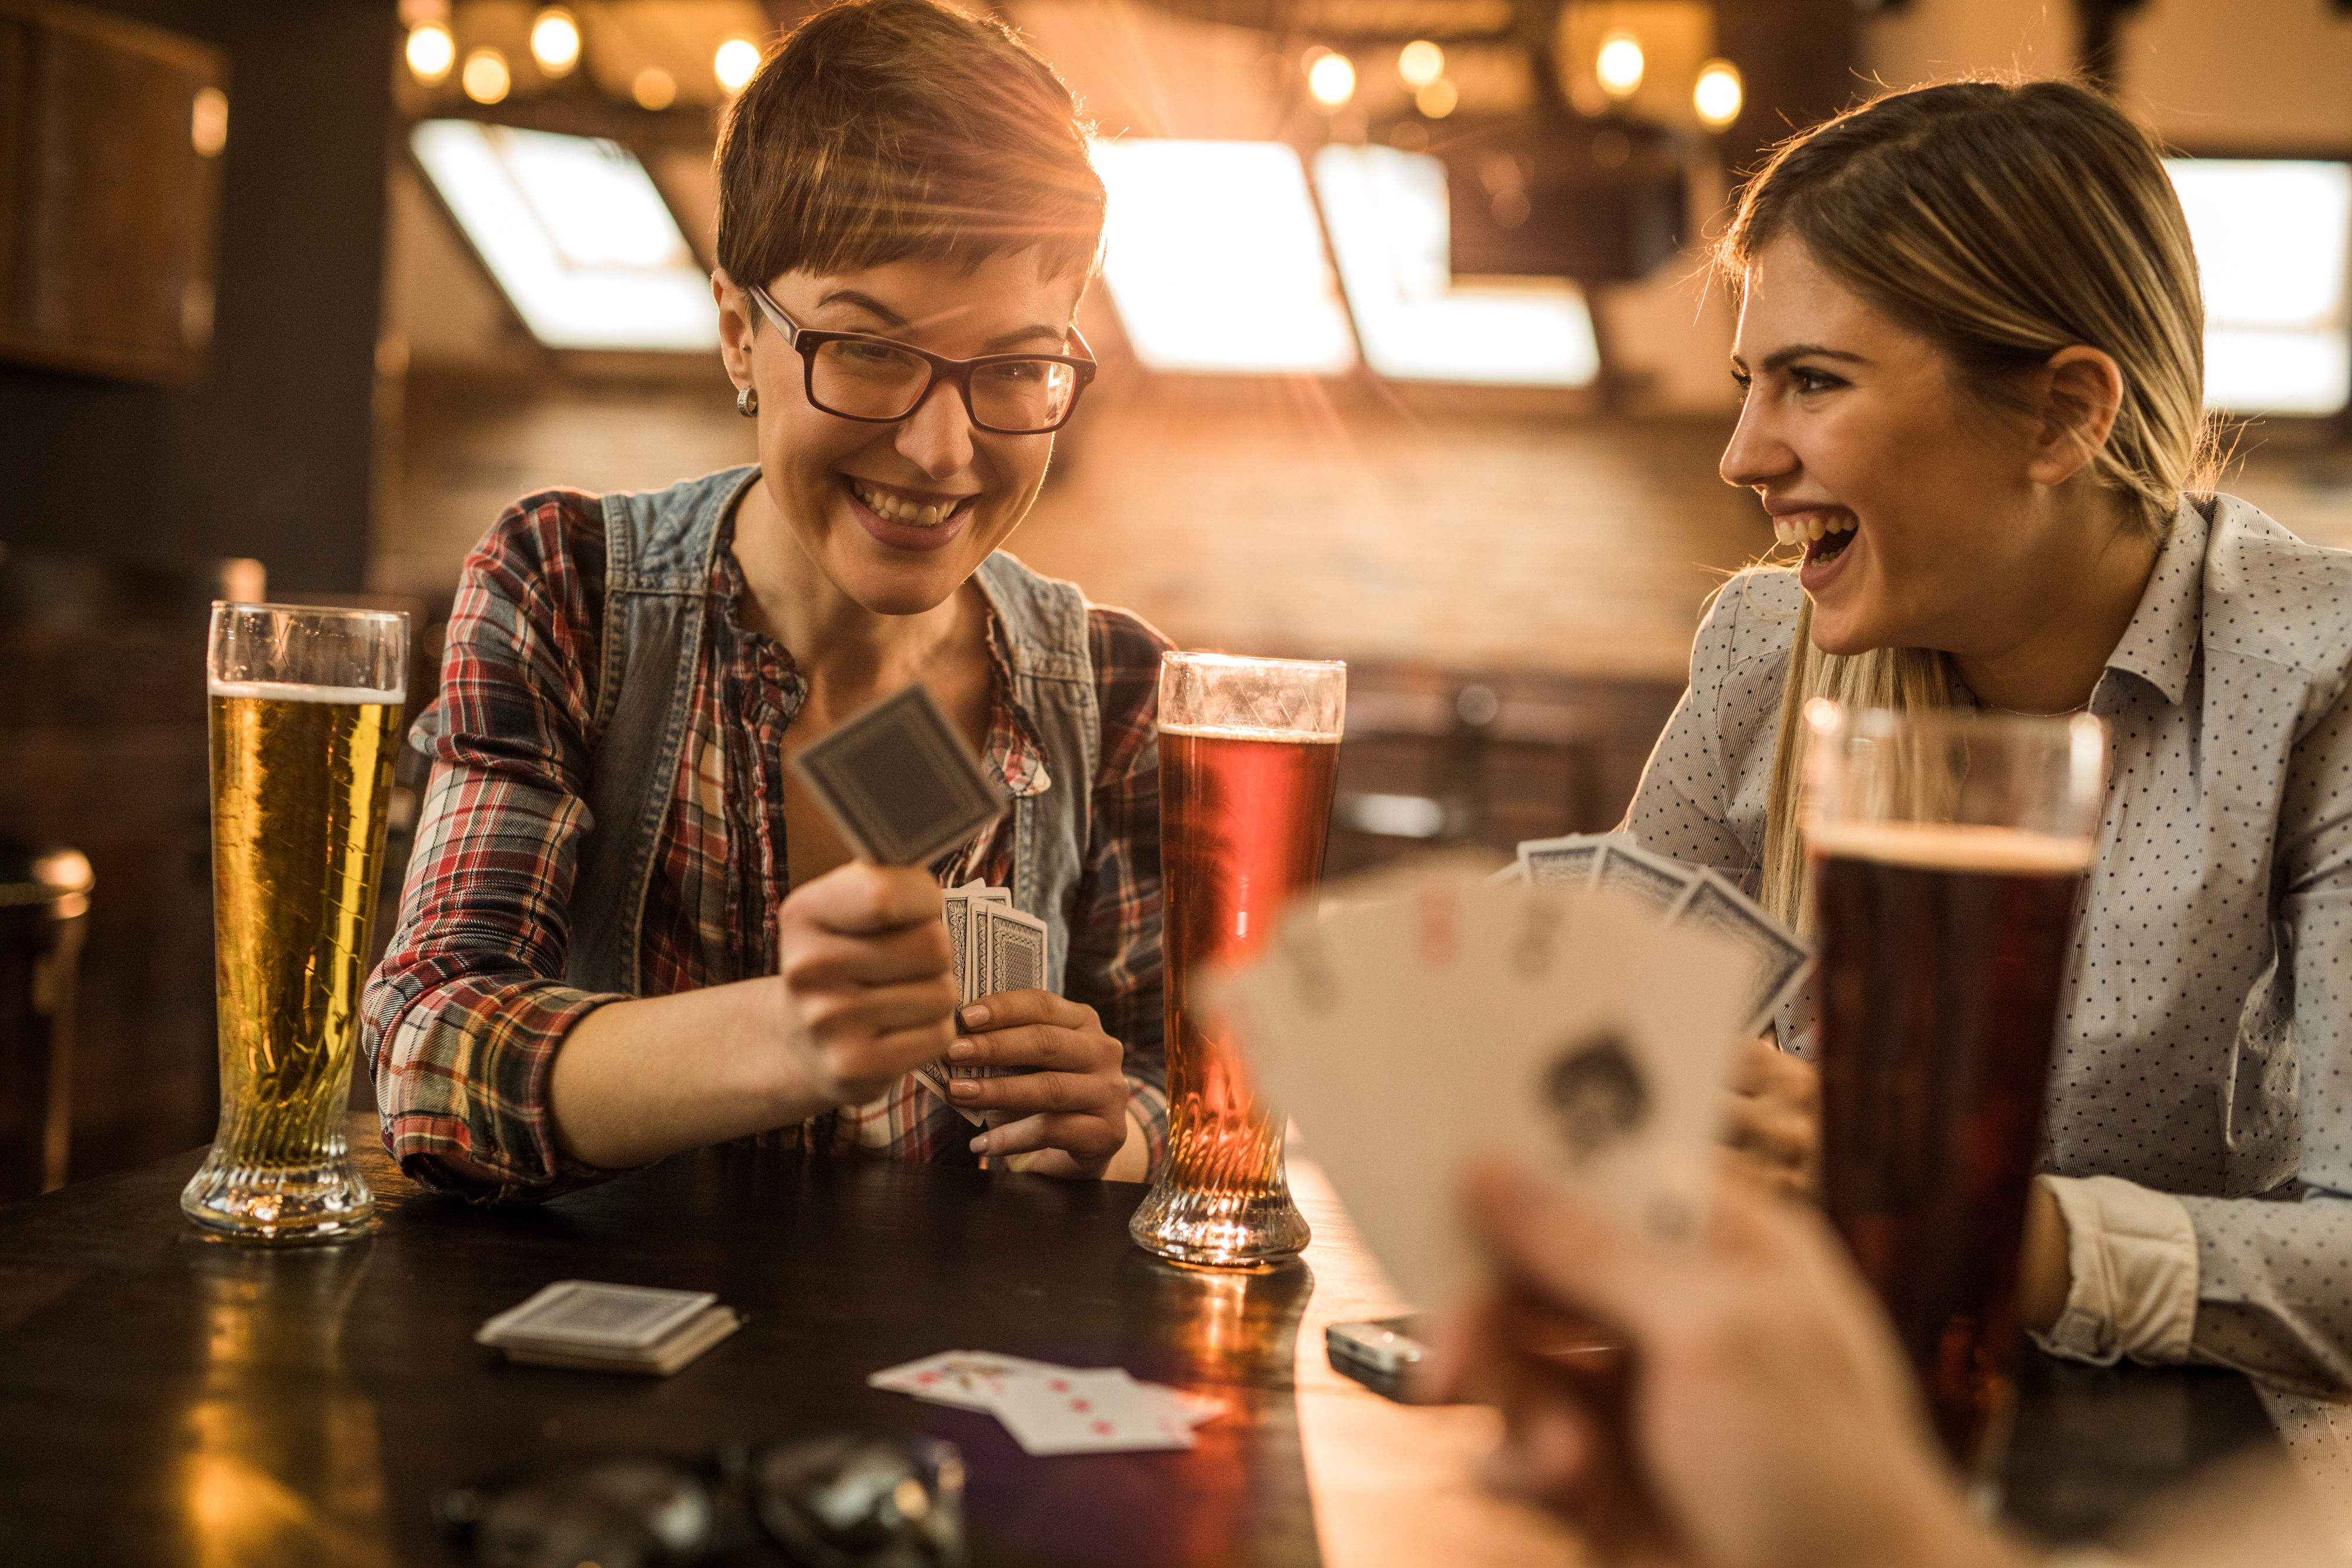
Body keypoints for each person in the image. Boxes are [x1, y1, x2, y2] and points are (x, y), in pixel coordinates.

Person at [361, 0, 1170, 1201]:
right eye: (869, 349)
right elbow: (429, 1054)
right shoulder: (563, 587)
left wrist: (1119, 1125)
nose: (941, 449)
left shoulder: (1111, 684)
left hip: (939, 1378)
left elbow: (1192, 1091)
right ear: (739, 332)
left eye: (1012, 366)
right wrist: (788, 1039)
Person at [1626, 76, 2352, 1393]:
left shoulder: (2319, 688)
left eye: (1810, 381)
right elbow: (1591, 1070)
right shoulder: (1759, 650)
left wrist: (1982, 1228)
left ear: (2063, 413)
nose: (1740, 453)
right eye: (1748, 383)